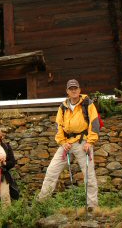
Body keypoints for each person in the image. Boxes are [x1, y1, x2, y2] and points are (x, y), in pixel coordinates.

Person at [37, 79, 100, 210]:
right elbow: (58, 126)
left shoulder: (88, 103)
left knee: (89, 175)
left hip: (83, 143)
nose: (73, 90)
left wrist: (90, 142)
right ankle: (41, 205)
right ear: (67, 91)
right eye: (71, 89)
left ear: (79, 90)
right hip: (66, 145)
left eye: (75, 88)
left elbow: (94, 124)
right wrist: (62, 142)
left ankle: (92, 207)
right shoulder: (63, 107)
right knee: (51, 172)